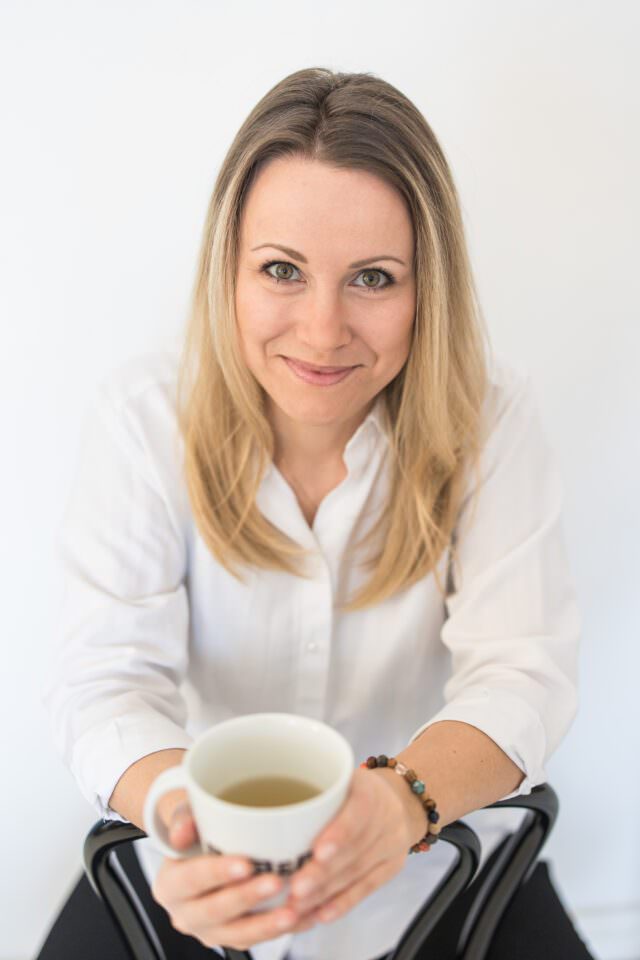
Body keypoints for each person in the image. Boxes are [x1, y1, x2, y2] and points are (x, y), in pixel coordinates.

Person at [37, 67, 596, 960]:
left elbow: (522, 672)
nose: (323, 329)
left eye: (373, 277)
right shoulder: (142, 421)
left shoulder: (492, 419)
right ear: (228, 269)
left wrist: (403, 800)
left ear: (428, 287)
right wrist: (189, 827)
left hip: (441, 866)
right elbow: (105, 683)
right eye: (282, 270)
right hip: (190, 870)